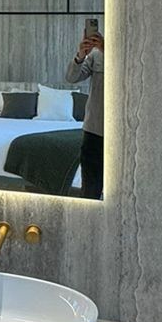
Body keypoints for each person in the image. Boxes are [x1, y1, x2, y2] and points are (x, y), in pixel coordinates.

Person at [65, 26, 104, 199]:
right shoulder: (94, 56)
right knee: (90, 187)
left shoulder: (128, 55)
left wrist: (106, 50)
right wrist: (81, 54)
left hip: (121, 133)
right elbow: (72, 78)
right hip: (94, 129)